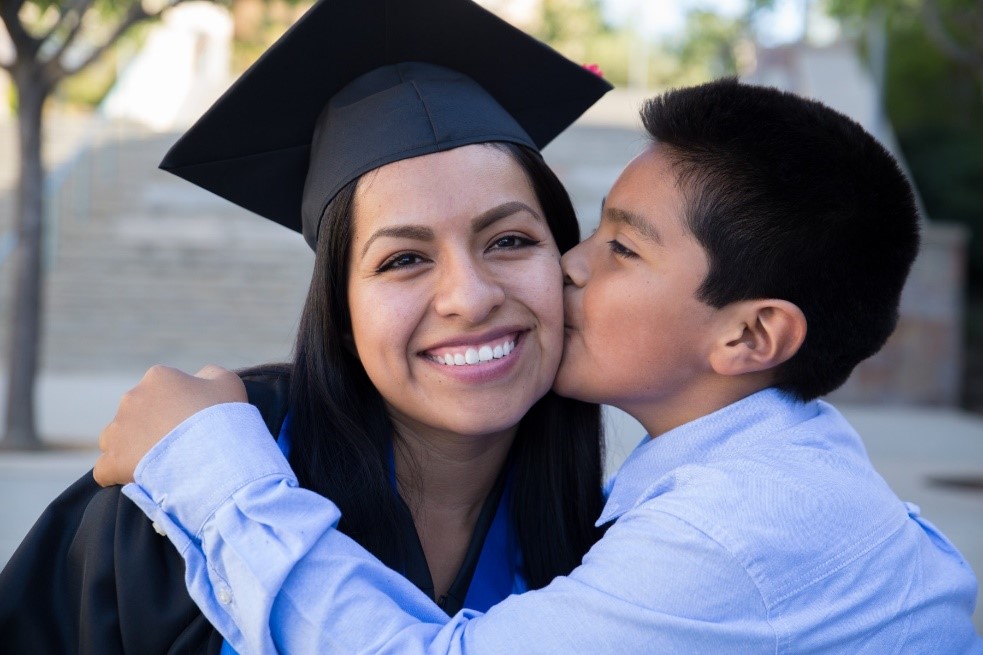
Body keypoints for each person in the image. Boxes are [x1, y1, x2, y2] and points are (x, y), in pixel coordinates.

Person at [96, 78, 983, 653]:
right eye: (401, 258)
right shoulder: (766, 474)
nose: (567, 264)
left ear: (749, 338)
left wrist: (209, 468)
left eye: (621, 250)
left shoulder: (724, 530)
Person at [0, 0, 614, 652]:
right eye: (403, 258)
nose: (468, 296)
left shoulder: (620, 543)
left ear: (565, 262)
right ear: (340, 308)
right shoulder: (176, 492)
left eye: (510, 240)